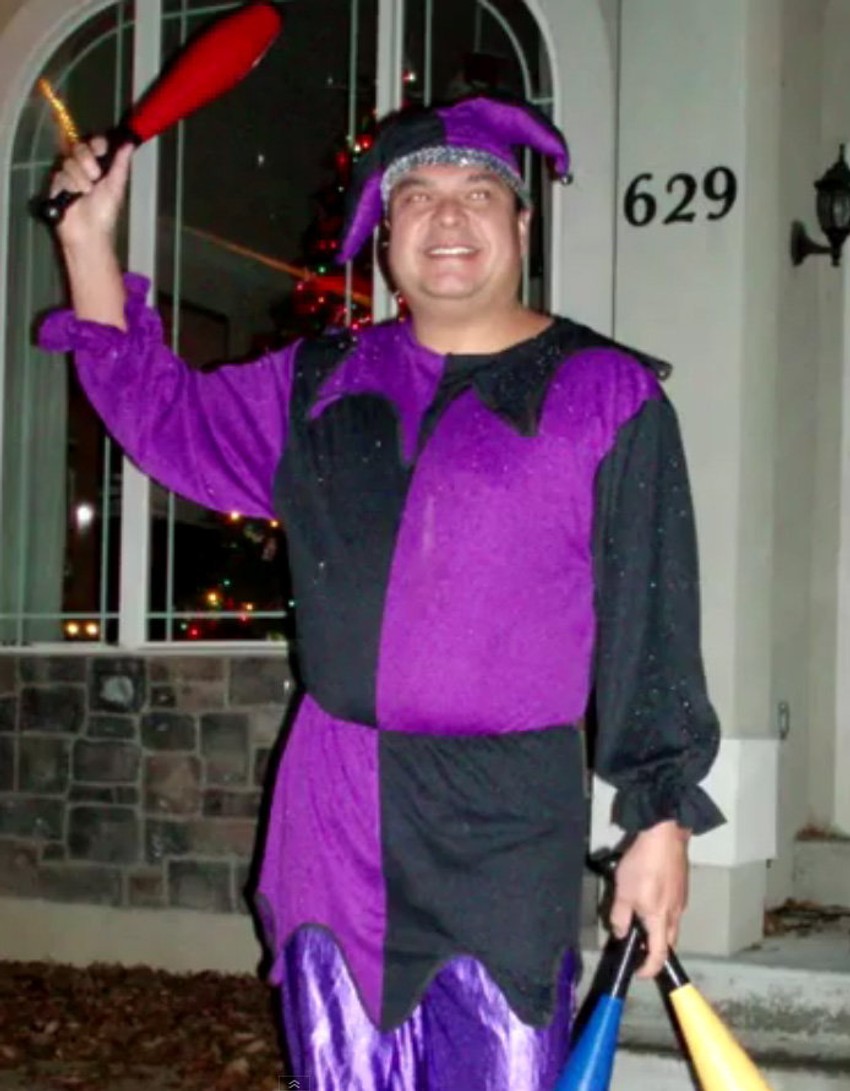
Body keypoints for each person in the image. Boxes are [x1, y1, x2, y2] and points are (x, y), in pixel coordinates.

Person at [39, 93, 724, 1091]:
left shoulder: (608, 395)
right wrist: (86, 242)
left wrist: (658, 819)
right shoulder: (317, 382)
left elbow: (651, 627)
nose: (448, 215)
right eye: (417, 195)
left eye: (479, 191)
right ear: (383, 230)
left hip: (506, 825)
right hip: (337, 817)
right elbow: (164, 416)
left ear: (522, 221)